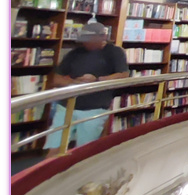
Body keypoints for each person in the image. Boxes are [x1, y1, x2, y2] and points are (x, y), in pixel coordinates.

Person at [44, 22, 129, 157]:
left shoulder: (114, 52)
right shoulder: (75, 53)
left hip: (94, 109)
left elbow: (123, 75)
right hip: (66, 107)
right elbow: (56, 79)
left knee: (85, 151)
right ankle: (47, 176)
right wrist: (74, 82)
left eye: (89, 40)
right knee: (54, 148)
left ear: (102, 37)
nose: (86, 44)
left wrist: (97, 80)